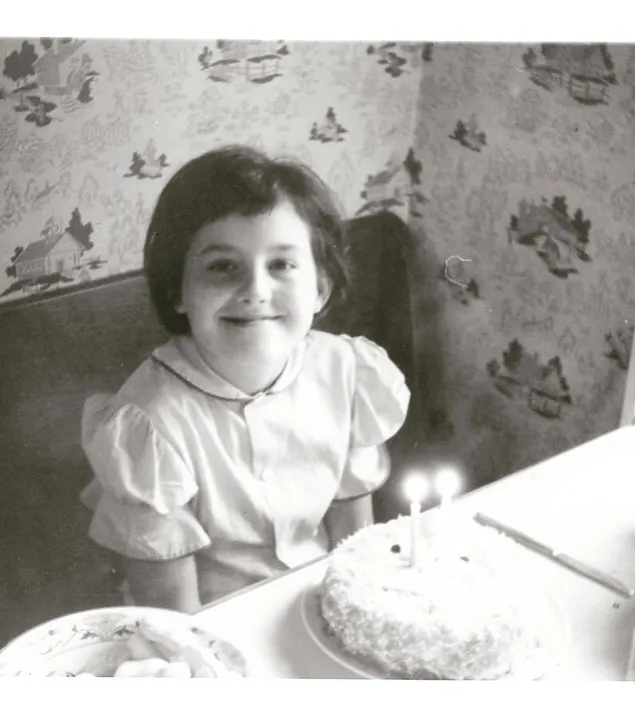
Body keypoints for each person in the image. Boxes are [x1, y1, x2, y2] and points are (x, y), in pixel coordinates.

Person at [80, 145, 411, 613]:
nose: (256, 290)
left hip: (316, 600)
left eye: (281, 265)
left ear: (319, 288)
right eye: (222, 266)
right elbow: (174, 612)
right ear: (178, 290)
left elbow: (352, 529)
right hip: (211, 621)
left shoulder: (348, 372)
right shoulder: (149, 423)